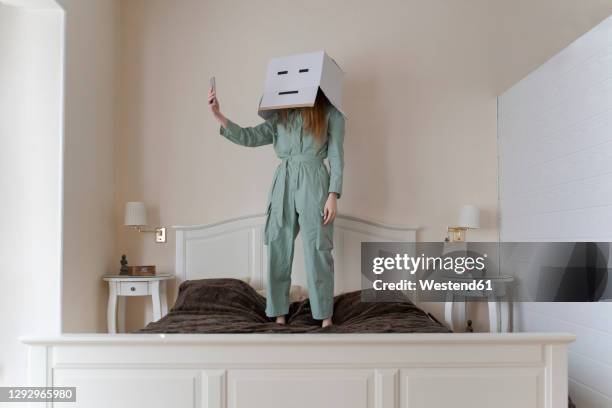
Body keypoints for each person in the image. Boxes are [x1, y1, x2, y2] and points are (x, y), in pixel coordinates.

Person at [208, 87, 345, 328]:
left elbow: (335, 156)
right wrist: (218, 115)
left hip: (314, 181)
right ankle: (279, 314)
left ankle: (325, 316)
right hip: (283, 180)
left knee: (318, 248)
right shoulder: (280, 116)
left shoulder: (330, 114)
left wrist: (333, 193)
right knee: (278, 245)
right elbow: (249, 136)